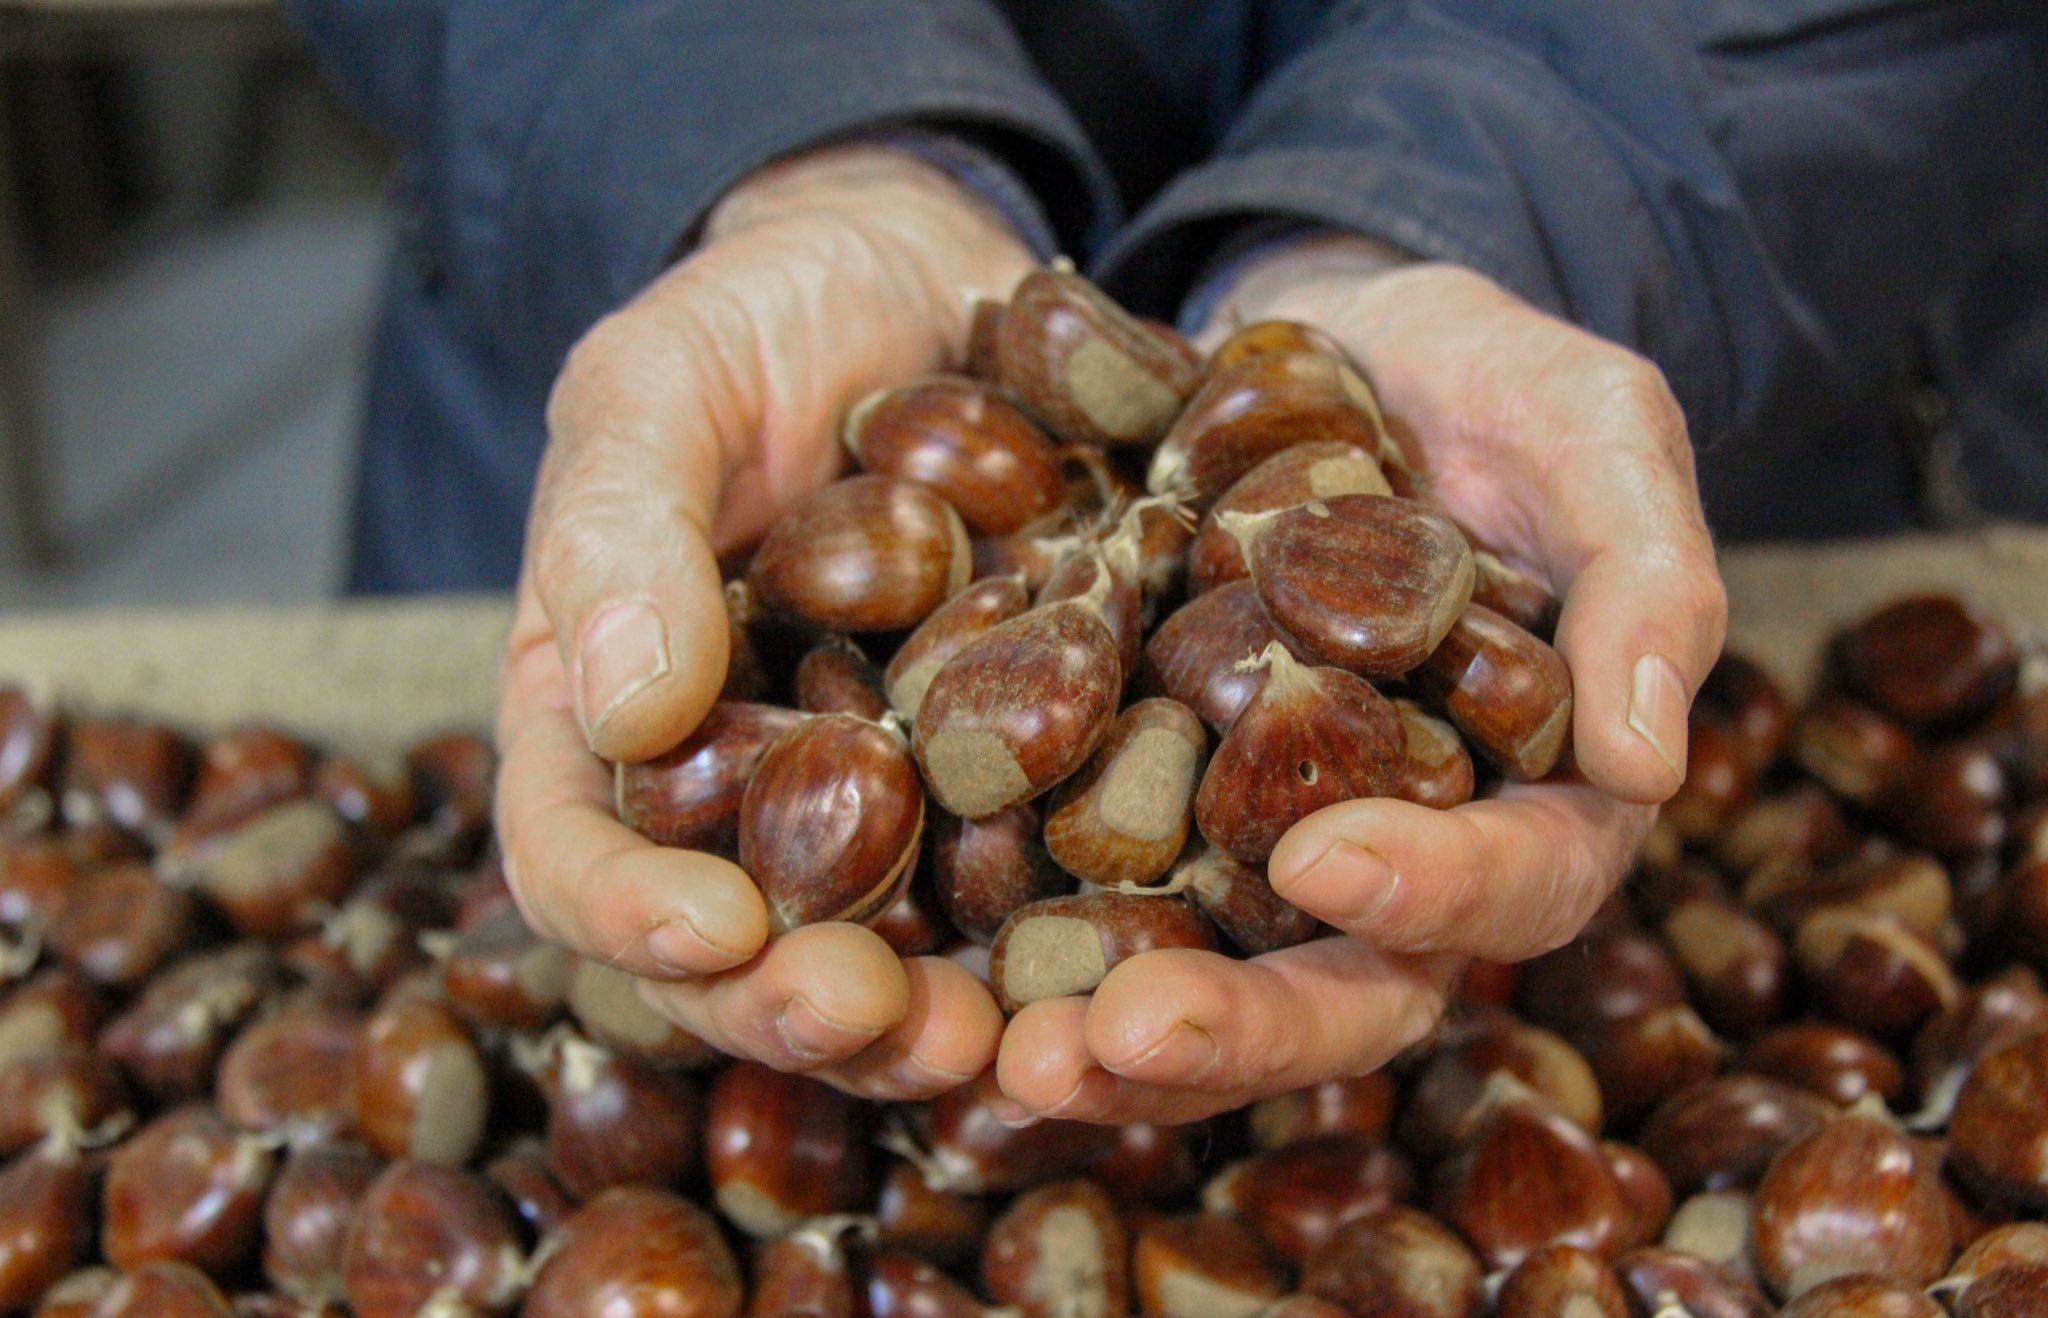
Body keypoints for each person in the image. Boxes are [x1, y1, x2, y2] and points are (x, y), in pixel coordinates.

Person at [284, 1, 2048, 1125]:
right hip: (625, 247)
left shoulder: (1204, 582)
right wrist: (783, 146)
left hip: (1759, 295)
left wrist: (1498, 193)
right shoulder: (1013, 595)